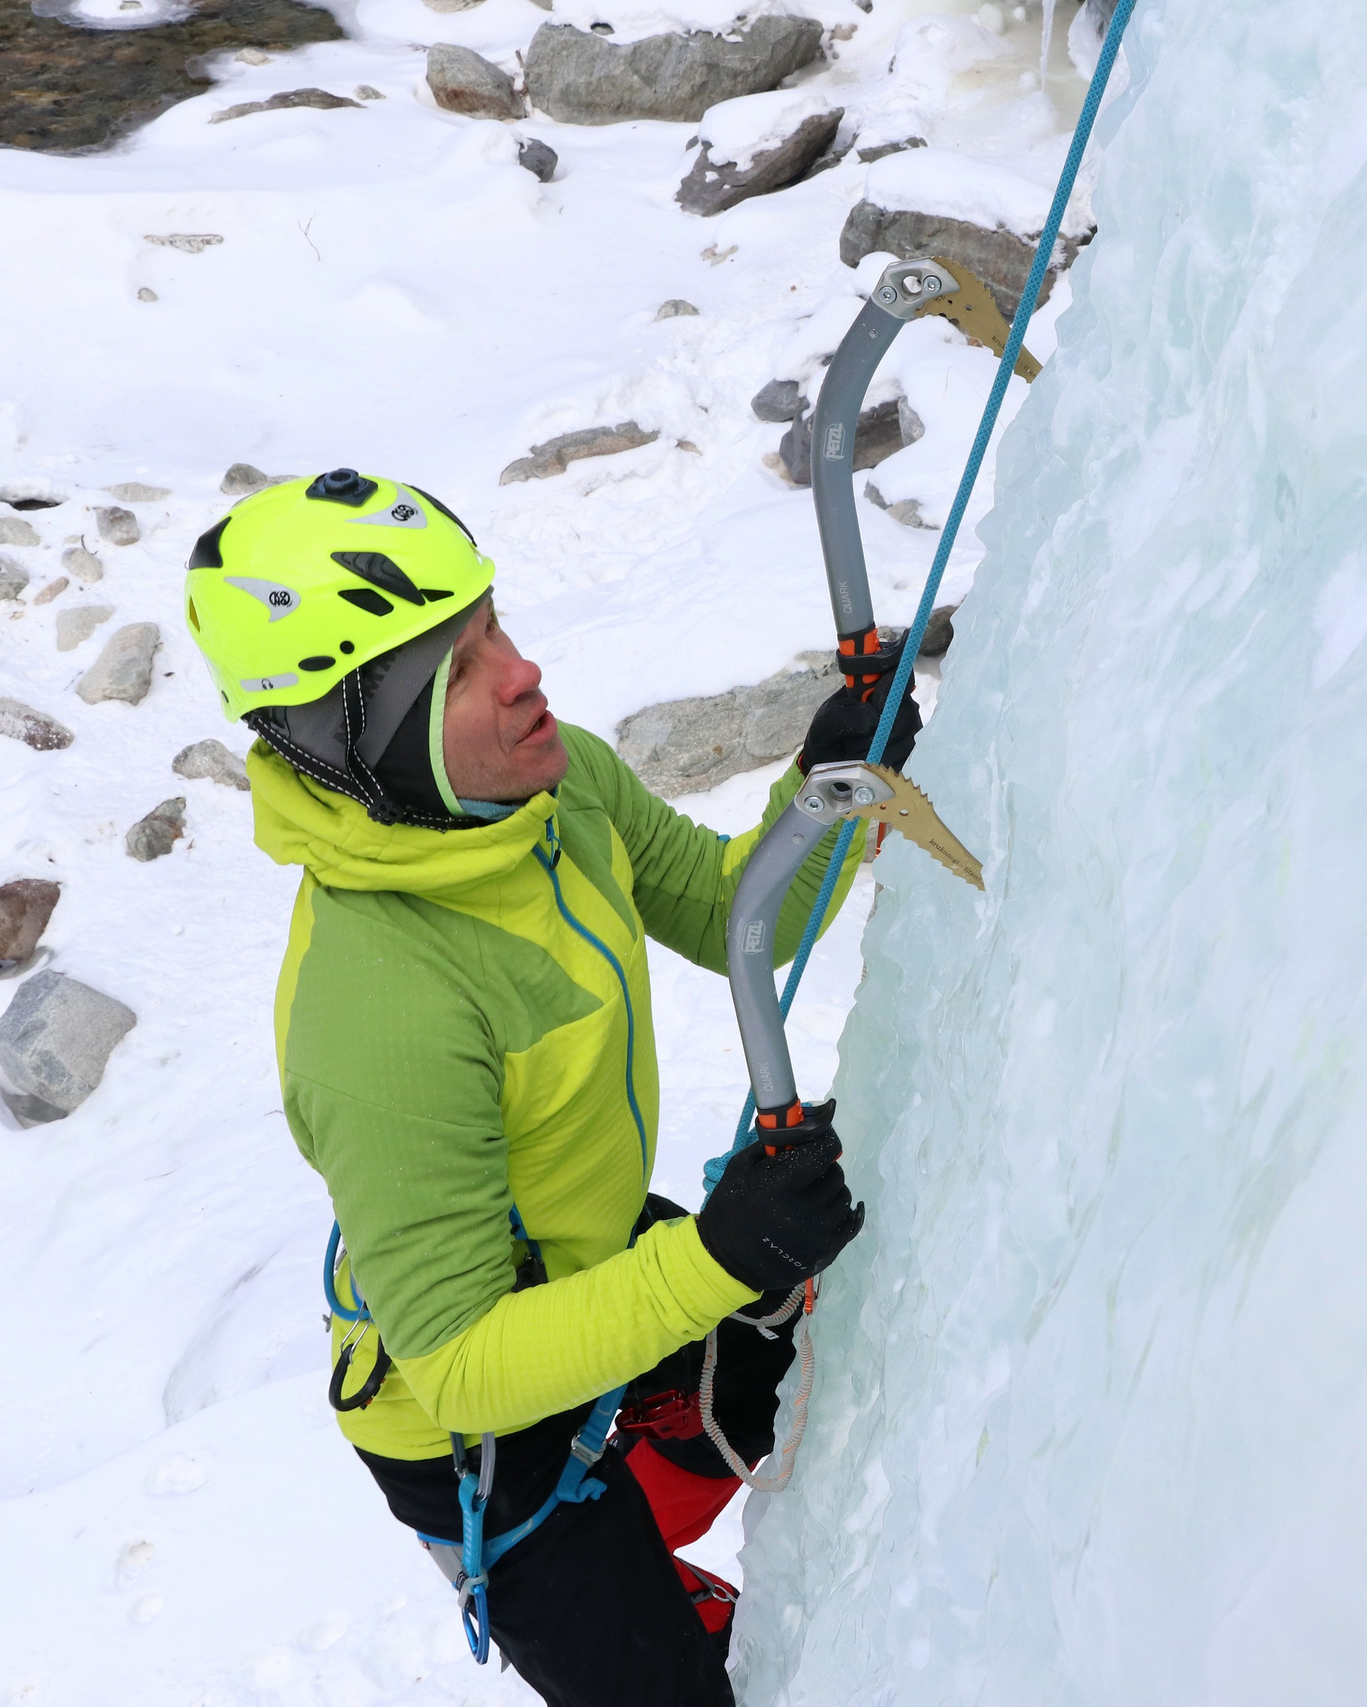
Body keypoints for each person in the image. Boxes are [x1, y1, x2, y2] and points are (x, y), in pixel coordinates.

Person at [179, 469, 918, 1705]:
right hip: (473, 1431)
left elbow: (737, 914)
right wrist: (722, 1259)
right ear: (352, 738)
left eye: (493, 628)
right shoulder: (377, 1010)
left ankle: (662, 1523)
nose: (520, 673)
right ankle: (639, 1594)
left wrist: (820, 796)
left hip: (583, 1250)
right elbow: (462, 1365)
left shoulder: (555, 781)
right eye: (456, 671)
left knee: (799, 1380)